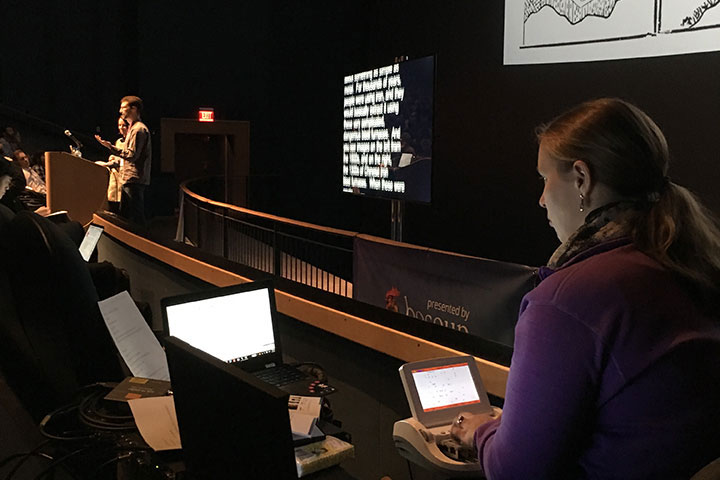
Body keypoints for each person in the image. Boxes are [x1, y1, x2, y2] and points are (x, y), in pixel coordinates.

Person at [450, 98, 720, 479]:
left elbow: (515, 471)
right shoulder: (692, 267)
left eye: (545, 178)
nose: (542, 199)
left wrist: (481, 429)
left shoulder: (565, 301)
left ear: (581, 178)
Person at [95, 95, 151, 226]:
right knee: (125, 216)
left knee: (135, 217)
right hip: (130, 179)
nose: (120, 111)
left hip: (134, 179)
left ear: (134, 109)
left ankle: (141, 243)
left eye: (123, 107)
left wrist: (111, 148)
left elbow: (132, 155)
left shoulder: (138, 129)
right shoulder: (134, 128)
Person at [95, 117, 128, 213]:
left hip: (124, 177)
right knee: (113, 205)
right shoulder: (118, 141)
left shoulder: (130, 141)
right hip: (114, 177)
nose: (121, 128)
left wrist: (107, 164)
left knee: (123, 208)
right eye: (119, 125)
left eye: (124, 125)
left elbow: (124, 158)